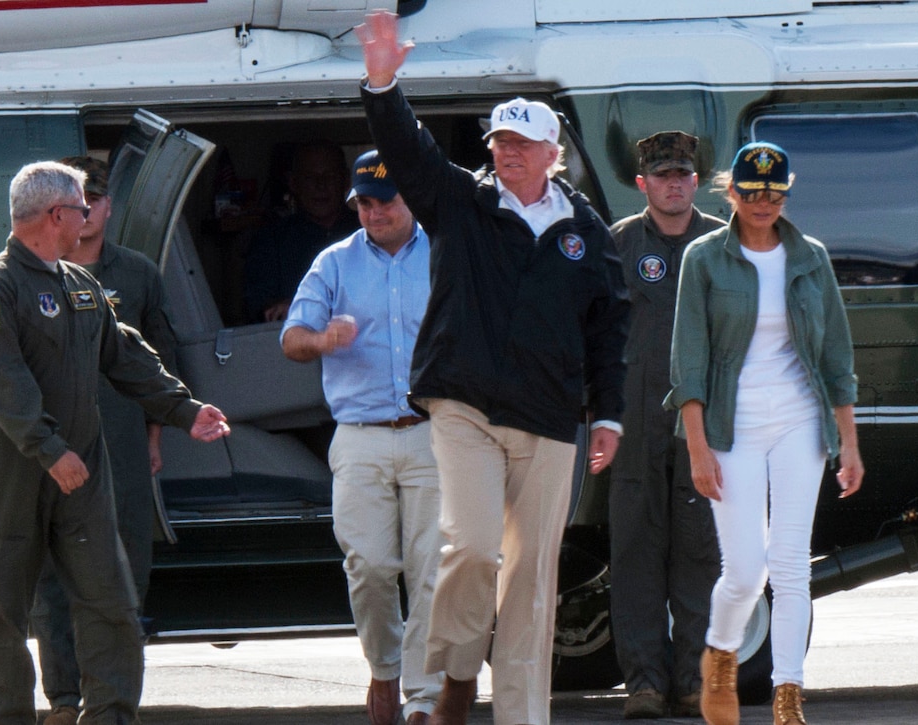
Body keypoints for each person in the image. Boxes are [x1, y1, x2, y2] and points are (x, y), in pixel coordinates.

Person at [355, 11, 630, 725]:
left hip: (548, 418)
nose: (506, 152)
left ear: (551, 153)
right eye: (498, 141)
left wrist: (607, 413)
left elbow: (609, 327)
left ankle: (521, 718)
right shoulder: (460, 201)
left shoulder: (587, 233)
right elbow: (406, 151)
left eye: (521, 142)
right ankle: (454, 672)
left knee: (533, 587)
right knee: (472, 548)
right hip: (465, 405)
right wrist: (383, 83)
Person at [0, 160, 231, 725]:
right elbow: (6, 385)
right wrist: (49, 451)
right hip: (13, 475)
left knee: (110, 603)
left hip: (81, 475)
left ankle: (109, 716)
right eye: (82, 207)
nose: (88, 217)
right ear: (57, 215)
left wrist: (183, 409)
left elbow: (127, 356)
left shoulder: (81, 288)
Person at [665, 142, 864, 725]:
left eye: (773, 192)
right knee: (745, 570)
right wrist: (698, 448)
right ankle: (721, 654)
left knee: (791, 563)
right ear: (732, 193)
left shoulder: (811, 258)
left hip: (801, 420)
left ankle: (788, 697)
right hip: (731, 424)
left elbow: (836, 357)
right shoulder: (704, 258)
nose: (762, 203)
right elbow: (689, 365)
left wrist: (847, 442)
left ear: (786, 192)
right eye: (751, 192)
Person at [281, 149, 443, 725]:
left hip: (434, 431)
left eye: (384, 201)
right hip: (360, 434)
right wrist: (323, 341)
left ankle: (424, 700)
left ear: (412, 198)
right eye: (364, 203)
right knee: (369, 565)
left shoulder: (446, 251)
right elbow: (291, 338)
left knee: (431, 569)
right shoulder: (334, 262)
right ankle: (384, 668)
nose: (373, 213)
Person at [28, 156, 179, 725]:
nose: (85, 210)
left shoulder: (137, 274)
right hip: (55, 446)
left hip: (121, 445)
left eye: (94, 198)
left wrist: (155, 436)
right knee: (56, 578)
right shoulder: (30, 274)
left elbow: (160, 362)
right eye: (75, 199)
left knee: (122, 575)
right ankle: (65, 699)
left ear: (108, 207)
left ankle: (112, 700)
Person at [607, 131, 726, 720]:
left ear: (696, 180)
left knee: (700, 556)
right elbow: (596, 330)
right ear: (642, 184)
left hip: (705, 428)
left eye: (682, 174)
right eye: (661, 176)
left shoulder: (723, 244)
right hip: (635, 425)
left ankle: (693, 680)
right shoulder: (621, 245)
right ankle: (645, 685)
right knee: (634, 554)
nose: (673, 184)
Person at [244, 141, 359, 322]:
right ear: (293, 183)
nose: (320, 185)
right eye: (309, 177)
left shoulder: (371, 233)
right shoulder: (270, 241)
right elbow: (259, 305)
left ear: (346, 181)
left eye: (329, 176)